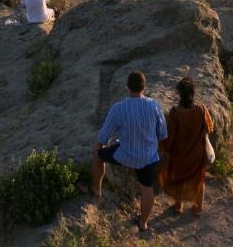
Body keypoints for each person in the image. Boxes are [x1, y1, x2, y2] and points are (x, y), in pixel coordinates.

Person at [92, 72, 168, 233]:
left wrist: (99, 147)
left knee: (98, 156)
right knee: (147, 188)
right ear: (144, 87)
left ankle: (97, 190)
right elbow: (162, 133)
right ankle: (143, 223)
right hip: (148, 157)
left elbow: (104, 136)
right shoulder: (154, 105)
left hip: (125, 155)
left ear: (128, 87)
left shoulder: (119, 108)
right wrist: (156, 149)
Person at [158, 77, 214, 217]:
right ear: (194, 93)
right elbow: (209, 128)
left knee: (178, 179)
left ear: (179, 94)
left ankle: (178, 206)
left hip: (179, 154)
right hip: (197, 153)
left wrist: (164, 149)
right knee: (199, 180)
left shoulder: (175, 113)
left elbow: (169, 137)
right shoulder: (201, 109)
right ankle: (198, 207)